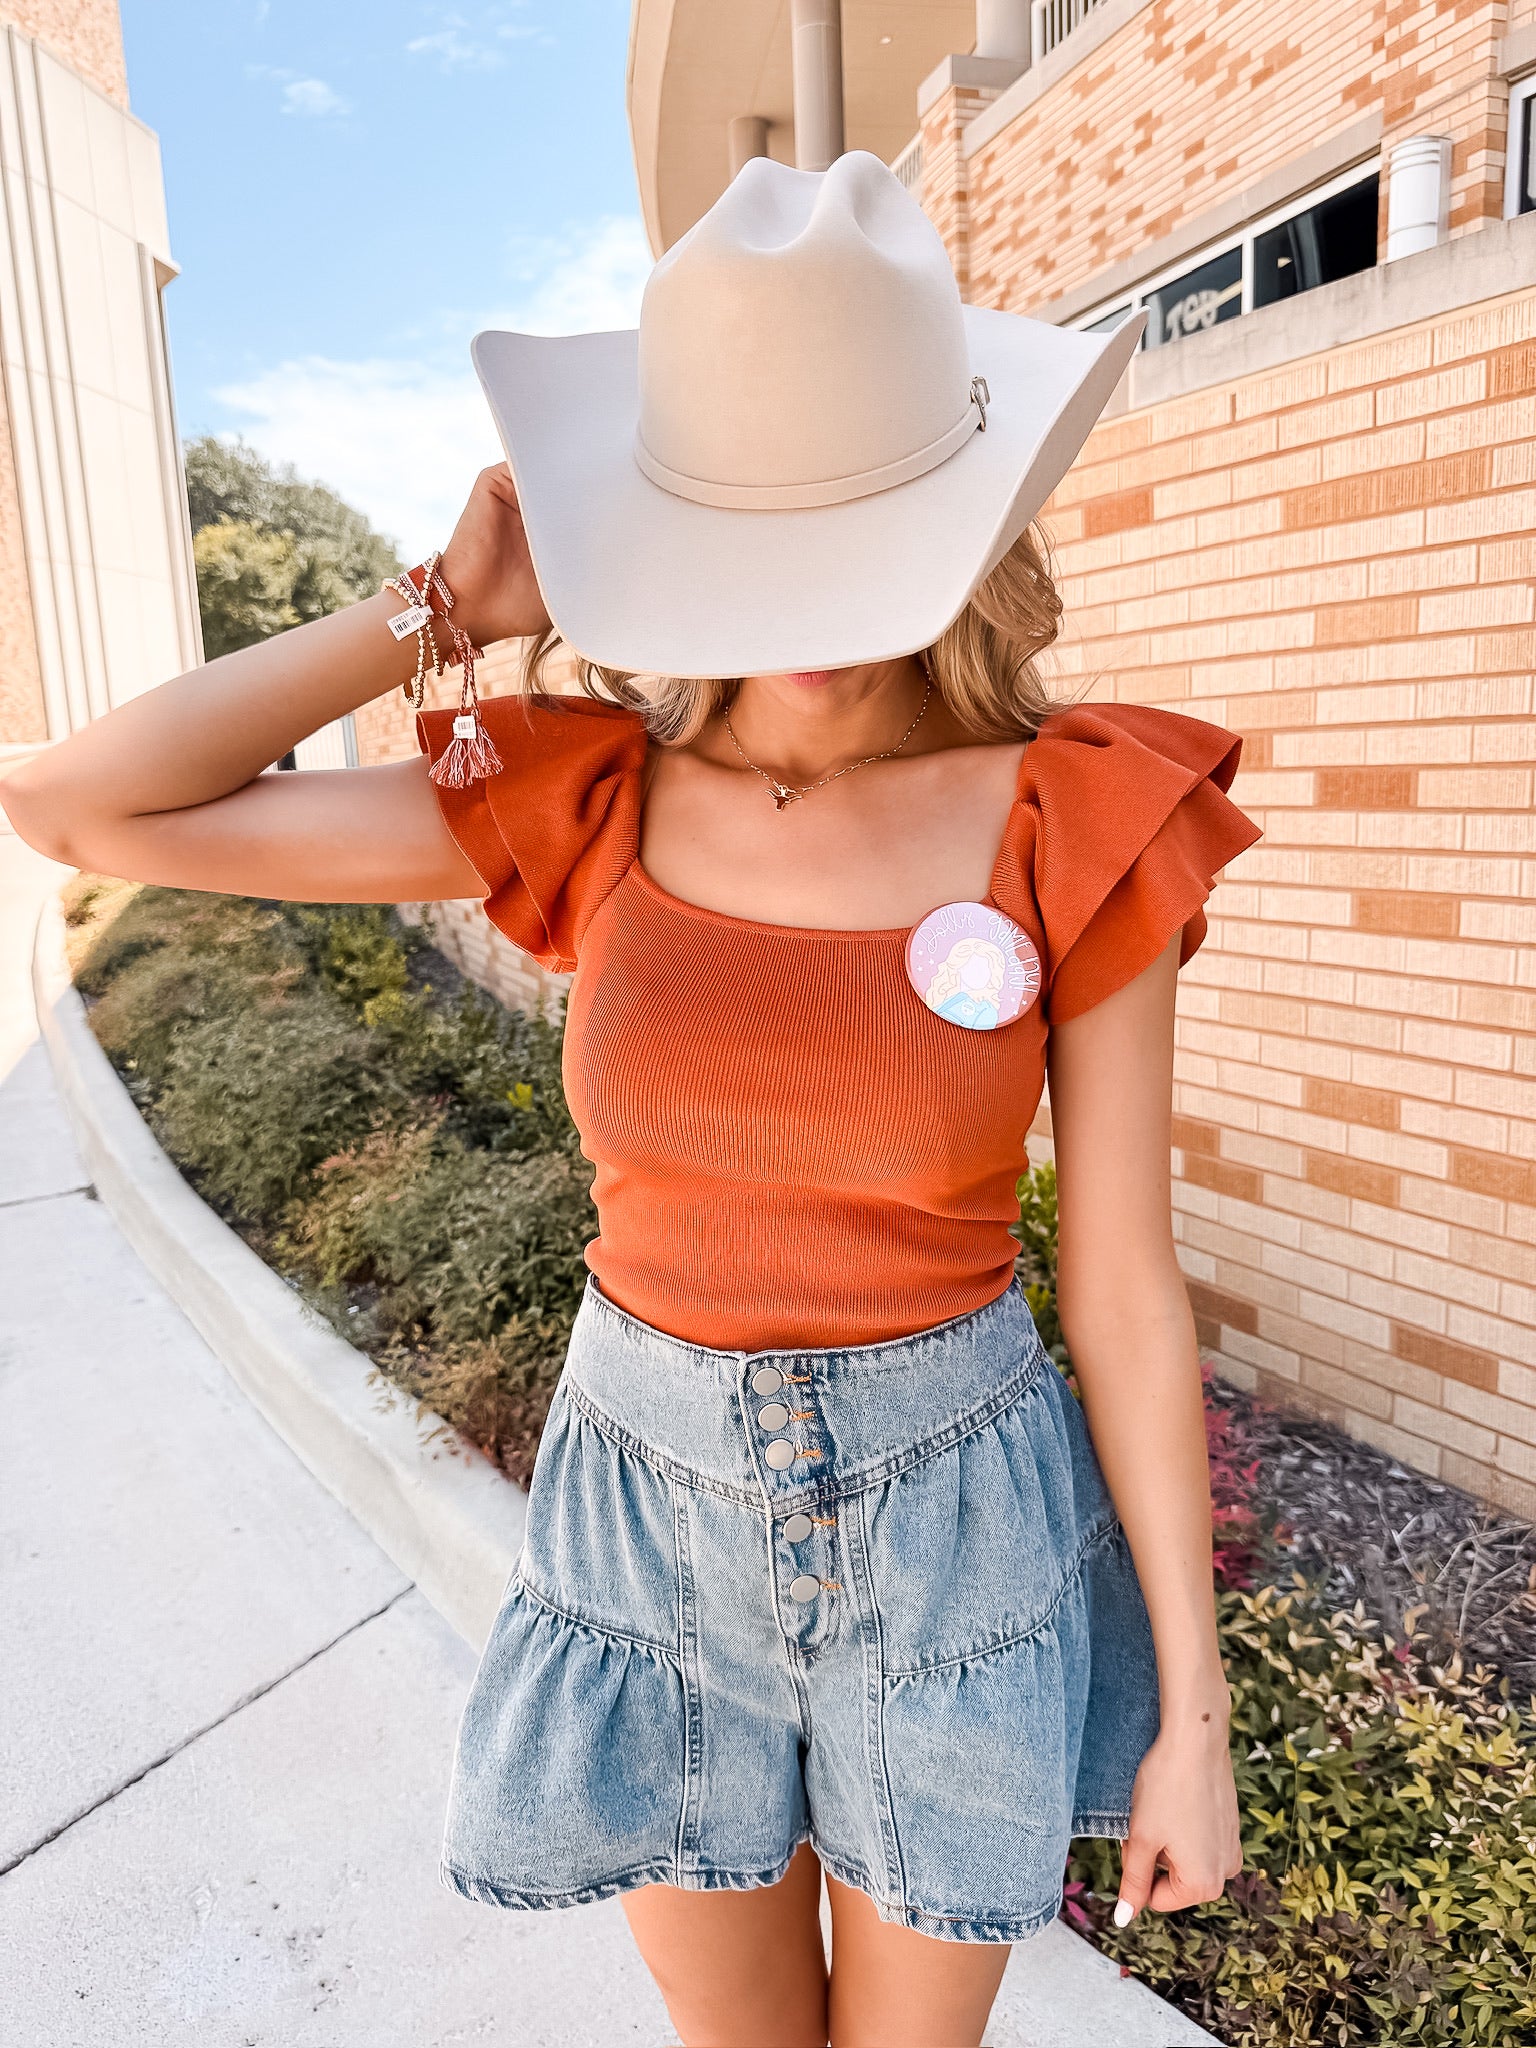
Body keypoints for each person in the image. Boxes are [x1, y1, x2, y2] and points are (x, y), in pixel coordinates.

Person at [3, 152, 1256, 2048]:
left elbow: (1127, 1288)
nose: (817, 611)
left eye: (867, 530)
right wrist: (435, 605)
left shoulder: (1072, 812)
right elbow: (84, 804)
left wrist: (1195, 1710)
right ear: (664, 531)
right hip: (646, 1510)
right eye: (759, 542)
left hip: (958, 1512)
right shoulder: (586, 792)